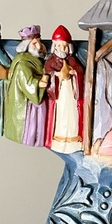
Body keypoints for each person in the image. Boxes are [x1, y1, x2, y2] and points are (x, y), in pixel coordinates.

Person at [4, 25, 49, 146]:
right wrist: (39, 83)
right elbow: (27, 83)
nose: (39, 46)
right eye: (34, 43)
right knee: (32, 124)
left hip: (36, 98)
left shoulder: (35, 58)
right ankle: (31, 139)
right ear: (27, 45)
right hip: (28, 103)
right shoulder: (23, 63)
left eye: (39, 42)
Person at [44, 25, 85, 154]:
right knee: (60, 114)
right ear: (54, 46)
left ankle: (73, 139)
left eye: (65, 46)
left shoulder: (72, 60)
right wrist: (56, 75)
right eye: (59, 46)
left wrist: (74, 73)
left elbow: (80, 71)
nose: (62, 49)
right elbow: (48, 73)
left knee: (71, 113)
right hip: (59, 94)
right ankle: (59, 139)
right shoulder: (51, 61)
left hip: (70, 91)